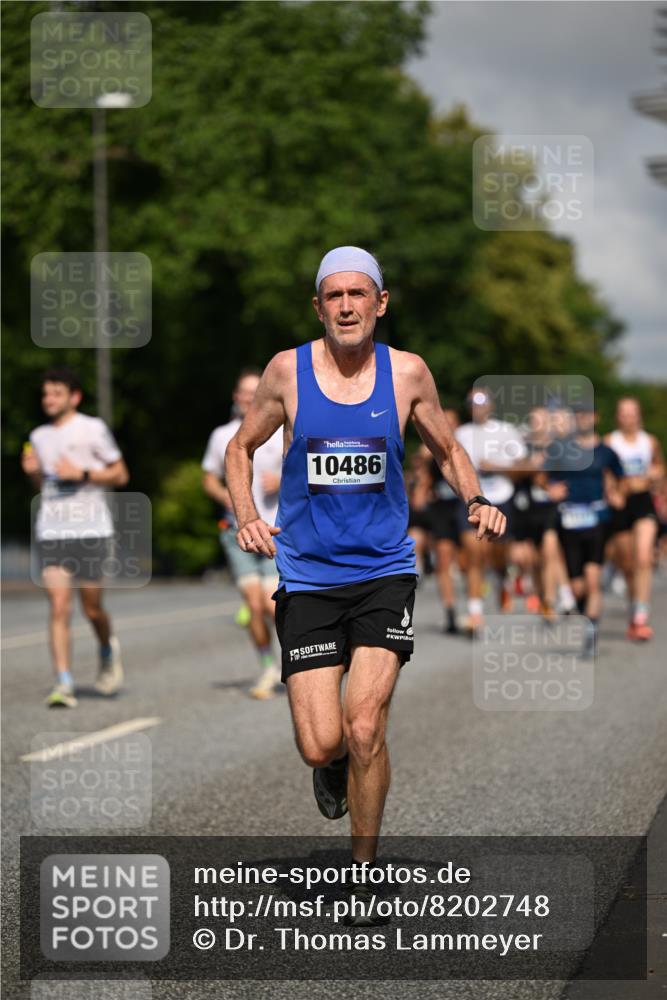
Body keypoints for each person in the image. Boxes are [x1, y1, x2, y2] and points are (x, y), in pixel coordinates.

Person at [224, 246, 506, 925]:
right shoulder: (287, 372)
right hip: (308, 576)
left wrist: (473, 497)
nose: (345, 306)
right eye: (333, 296)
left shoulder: (406, 372)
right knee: (321, 744)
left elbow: (446, 445)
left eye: (358, 294)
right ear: (317, 306)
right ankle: (331, 770)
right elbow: (241, 448)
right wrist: (247, 517)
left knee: (364, 723)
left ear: (380, 302)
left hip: (383, 571)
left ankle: (362, 872)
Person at [21, 368, 128, 708]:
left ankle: (107, 648)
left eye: (55, 393)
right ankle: (64, 682)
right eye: (45, 394)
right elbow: (44, 486)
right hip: (53, 530)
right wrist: (34, 473)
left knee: (92, 609)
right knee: (59, 605)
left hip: (91, 529)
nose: (48, 399)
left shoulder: (92, 428)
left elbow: (121, 474)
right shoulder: (38, 436)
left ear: (74, 396)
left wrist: (80, 473)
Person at [202, 369, 283, 699]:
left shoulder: (280, 430)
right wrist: (224, 494)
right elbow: (208, 477)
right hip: (237, 532)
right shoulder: (222, 435)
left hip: (277, 529)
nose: (250, 398)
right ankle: (267, 667)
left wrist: (282, 481)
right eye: (244, 393)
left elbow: (306, 468)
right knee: (253, 604)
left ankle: (299, 661)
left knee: (272, 605)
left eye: (256, 392)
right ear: (236, 397)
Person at [541, 402, 626, 658]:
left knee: (592, 579)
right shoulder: (561, 449)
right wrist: (550, 490)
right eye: (579, 415)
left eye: (588, 414)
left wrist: (617, 493)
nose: (583, 419)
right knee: (578, 587)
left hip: (597, 518)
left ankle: (591, 632)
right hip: (569, 520)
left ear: (596, 417)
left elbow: (622, 477)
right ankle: (584, 609)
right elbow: (544, 476)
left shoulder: (606, 452)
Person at [455, 387, 526, 633]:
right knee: (474, 554)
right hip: (473, 501)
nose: (478, 407)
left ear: (491, 406)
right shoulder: (461, 433)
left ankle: (502, 577)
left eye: (482, 402)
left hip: (501, 498)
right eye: (473, 403)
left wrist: (495, 468)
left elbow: (523, 467)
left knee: (498, 555)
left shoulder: (507, 431)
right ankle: (475, 614)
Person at [605, 397, 665, 641]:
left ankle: (641, 615)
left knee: (643, 556)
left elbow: (660, 468)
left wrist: (653, 476)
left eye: (632, 413)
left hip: (642, 502)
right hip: (620, 504)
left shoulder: (649, 441)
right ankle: (634, 605)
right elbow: (603, 471)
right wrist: (612, 493)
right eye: (624, 413)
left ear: (639, 416)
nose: (628, 418)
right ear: (618, 416)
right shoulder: (610, 442)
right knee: (628, 564)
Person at [426, 407, 464, 633]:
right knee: (442, 560)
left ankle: (473, 606)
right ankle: (450, 611)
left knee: (468, 561)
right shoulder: (429, 450)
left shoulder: (464, 450)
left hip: (462, 508)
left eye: (451, 422)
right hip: (441, 510)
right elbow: (425, 480)